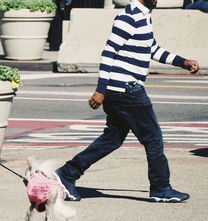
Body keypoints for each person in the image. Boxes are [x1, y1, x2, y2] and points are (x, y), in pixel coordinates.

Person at [54, 0, 199, 203]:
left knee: (112, 140)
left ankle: (67, 174)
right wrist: (100, 89)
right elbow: (108, 52)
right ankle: (160, 188)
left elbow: (152, 49)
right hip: (126, 89)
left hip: (122, 90)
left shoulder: (144, 14)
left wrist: (182, 61)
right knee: (153, 139)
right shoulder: (128, 16)